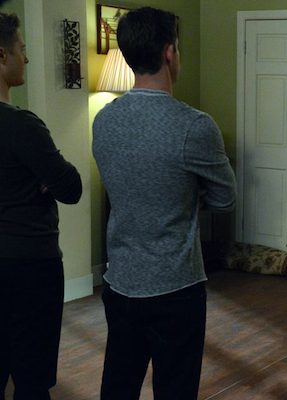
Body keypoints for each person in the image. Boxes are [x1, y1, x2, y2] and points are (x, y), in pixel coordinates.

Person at [92, 7, 236, 400]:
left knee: (118, 386)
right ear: (170, 52)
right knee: (175, 389)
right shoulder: (195, 125)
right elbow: (225, 198)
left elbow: (122, 186)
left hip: (121, 282)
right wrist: (186, 191)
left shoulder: (103, 121)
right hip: (176, 287)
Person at [1, 12, 82, 399]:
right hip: (28, 266)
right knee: (32, 380)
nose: (27, 58)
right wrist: (42, 179)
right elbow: (71, 187)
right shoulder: (22, 126)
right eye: (22, 49)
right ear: (2, 55)